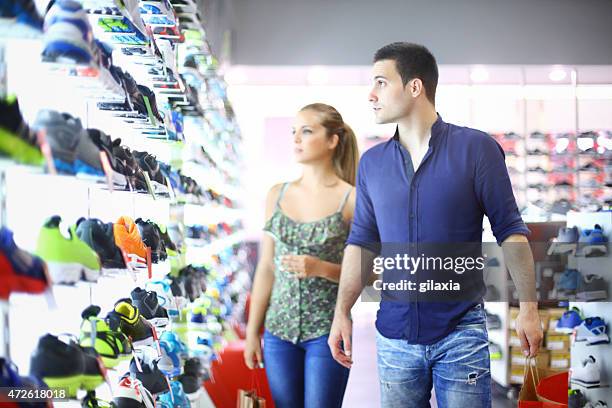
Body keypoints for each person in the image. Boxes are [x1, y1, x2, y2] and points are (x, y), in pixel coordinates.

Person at [328, 42, 543, 407]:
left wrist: (529, 308)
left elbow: (510, 231)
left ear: (415, 87)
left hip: (461, 334)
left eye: (381, 82)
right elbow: (362, 242)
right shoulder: (373, 164)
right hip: (394, 336)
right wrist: (342, 312)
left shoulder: (477, 149)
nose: (371, 94)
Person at [244, 103, 359, 408]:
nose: (296, 138)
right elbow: (266, 268)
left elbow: (370, 272)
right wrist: (253, 331)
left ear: (333, 140)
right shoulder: (276, 194)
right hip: (278, 332)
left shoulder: (352, 199)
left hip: (327, 331)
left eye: (306, 131)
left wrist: (320, 268)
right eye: (294, 131)